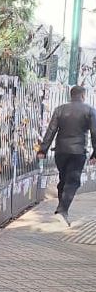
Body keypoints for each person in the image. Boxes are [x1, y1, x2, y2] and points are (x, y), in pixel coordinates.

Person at [37, 85, 96, 225]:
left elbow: (51, 130)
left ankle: (61, 213)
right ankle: (62, 211)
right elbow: (94, 133)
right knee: (73, 181)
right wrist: (95, 153)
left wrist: (43, 150)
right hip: (78, 152)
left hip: (60, 152)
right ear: (83, 96)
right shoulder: (90, 110)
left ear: (71, 95)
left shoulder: (60, 109)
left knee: (63, 180)